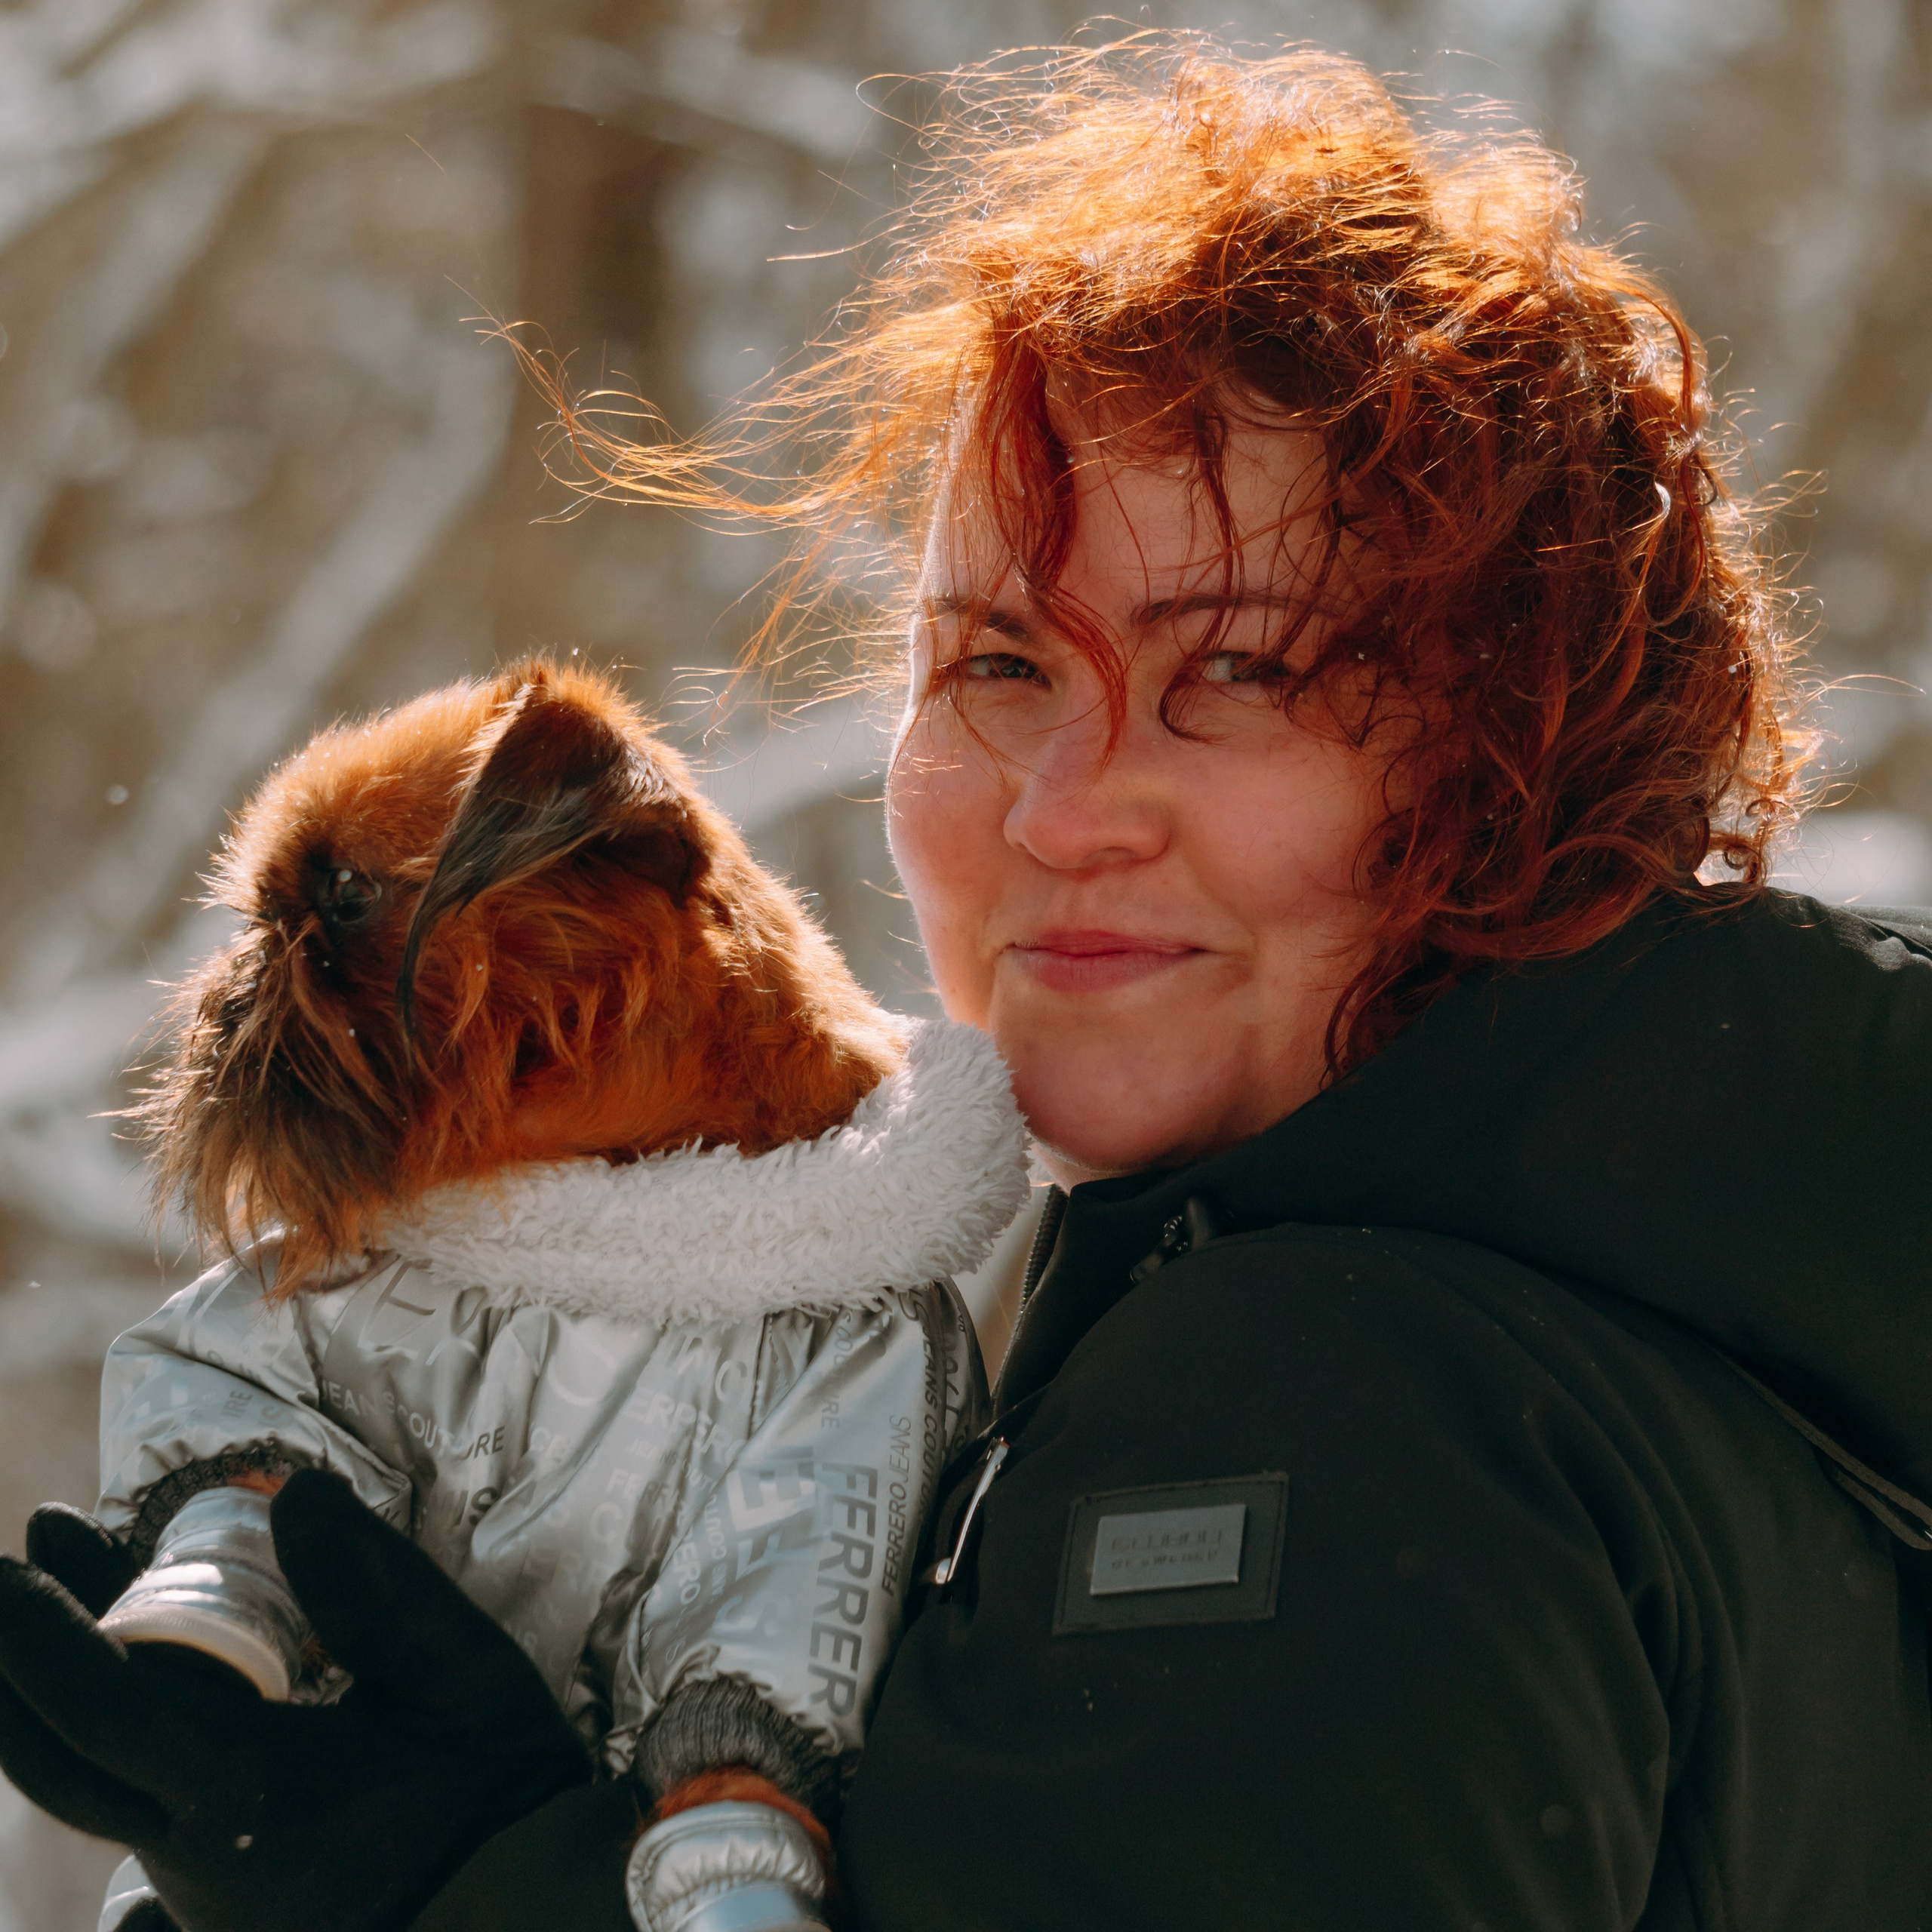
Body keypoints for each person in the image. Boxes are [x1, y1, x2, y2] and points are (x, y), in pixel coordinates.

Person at [4, 34, 1930, 1932]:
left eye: (1239, 669)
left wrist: (464, 1880)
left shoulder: (1329, 1400)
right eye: (996, 665)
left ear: (1528, 752)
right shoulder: (1696, 1308)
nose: (1067, 805)